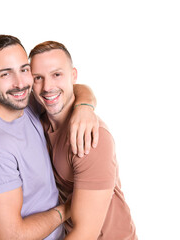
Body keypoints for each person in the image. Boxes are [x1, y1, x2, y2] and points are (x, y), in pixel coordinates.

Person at [0, 35, 99, 240]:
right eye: (5, 74)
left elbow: (70, 88)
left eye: (24, 69)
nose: (20, 83)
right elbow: (13, 237)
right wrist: (68, 208)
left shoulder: (24, 104)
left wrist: (85, 107)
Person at [30, 41, 137, 240]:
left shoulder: (90, 139)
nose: (47, 87)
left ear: (73, 76)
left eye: (56, 74)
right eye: (38, 78)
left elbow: (84, 234)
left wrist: (86, 106)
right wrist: (85, 104)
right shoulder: (38, 117)